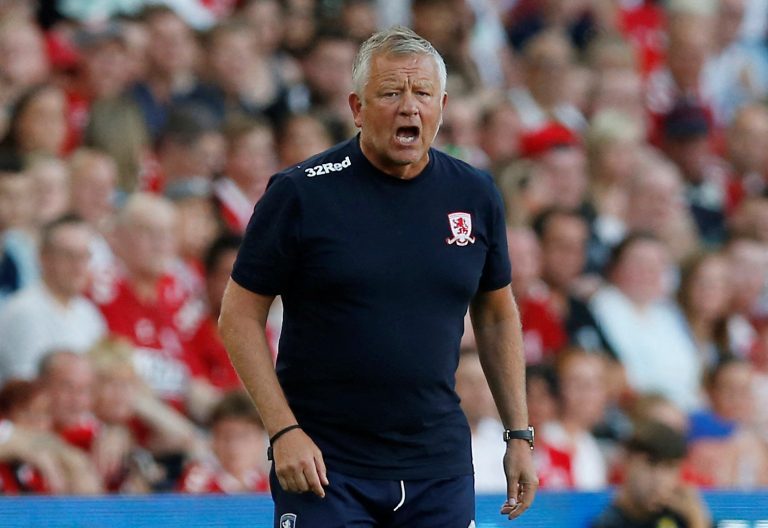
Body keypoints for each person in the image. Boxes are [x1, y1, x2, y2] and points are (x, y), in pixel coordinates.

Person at [218, 26, 537, 526]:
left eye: (423, 93)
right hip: (325, 466)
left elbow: (496, 314)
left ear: (443, 105)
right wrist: (283, 431)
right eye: (390, 92)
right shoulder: (300, 194)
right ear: (356, 107)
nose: (409, 106)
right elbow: (238, 315)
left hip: (439, 465)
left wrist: (518, 434)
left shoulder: (475, 194)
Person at [591, 421, 712, 528]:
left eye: (669, 467)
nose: (659, 479)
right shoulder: (610, 522)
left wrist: (696, 517)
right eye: (651, 464)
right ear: (627, 461)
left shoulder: (682, 514)